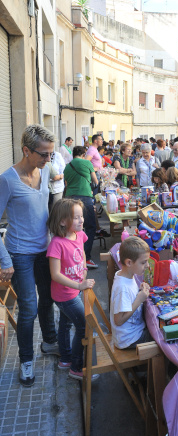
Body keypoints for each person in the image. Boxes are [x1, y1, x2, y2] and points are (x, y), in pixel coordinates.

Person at [0, 124, 59, 387]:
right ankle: (26, 360)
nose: (48, 160)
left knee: (47, 299)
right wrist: (4, 260)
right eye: (43, 154)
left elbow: (44, 211)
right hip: (19, 254)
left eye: (51, 154)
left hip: (44, 250)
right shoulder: (7, 180)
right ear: (26, 150)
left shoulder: (44, 173)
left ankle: (49, 342)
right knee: (28, 310)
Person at [47, 199, 97, 380]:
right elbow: (55, 274)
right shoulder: (57, 244)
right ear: (62, 221)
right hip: (64, 295)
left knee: (66, 323)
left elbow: (82, 253)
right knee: (84, 325)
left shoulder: (79, 235)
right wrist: (79, 285)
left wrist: (83, 270)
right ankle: (76, 367)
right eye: (76, 218)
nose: (81, 220)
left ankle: (65, 360)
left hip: (75, 290)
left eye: (81, 216)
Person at [110, 237, 151, 349]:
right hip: (129, 339)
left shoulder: (126, 275)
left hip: (132, 333)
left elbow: (128, 297)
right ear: (129, 262)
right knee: (161, 337)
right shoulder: (122, 287)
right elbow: (118, 320)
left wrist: (140, 290)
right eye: (143, 262)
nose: (147, 265)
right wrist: (139, 300)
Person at [64, 146, 99, 269]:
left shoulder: (67, 167)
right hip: (84, 197)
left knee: (71, 229)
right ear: (83, 154)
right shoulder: (87, 163)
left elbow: (66, 184)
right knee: (89, 227)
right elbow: (95, 181)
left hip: (69, 199)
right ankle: (86, 258)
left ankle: (70, 258)